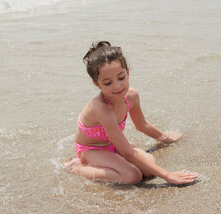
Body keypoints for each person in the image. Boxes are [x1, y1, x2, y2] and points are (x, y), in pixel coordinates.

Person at [64, 41, 198, 185]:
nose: (117, 86)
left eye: (121, 77)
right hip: (91, 150)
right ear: (97, 83)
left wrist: (165, 137)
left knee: (148, 167)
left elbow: (142, 125)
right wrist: (167, 175)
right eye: (108, 83)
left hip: (113, 145)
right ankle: (77, 168)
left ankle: (114, 162)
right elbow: (128, 152)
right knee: (132, 176)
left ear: (127, 72)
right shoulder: (101, 108)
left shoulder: (131, 96)